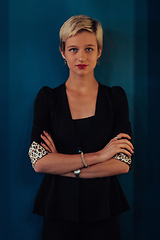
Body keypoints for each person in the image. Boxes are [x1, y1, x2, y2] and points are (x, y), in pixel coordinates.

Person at [29, 15, 134, 240]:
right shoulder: (48, 98)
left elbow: (123, 163)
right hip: (57, 213)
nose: (81, 57)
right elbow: (39, 162)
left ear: (99, 51)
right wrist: (100, 155)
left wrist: (62, 164)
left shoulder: (115, 97)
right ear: (63, 53)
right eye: (73, 49)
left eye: (89, 48)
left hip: (104, 214)